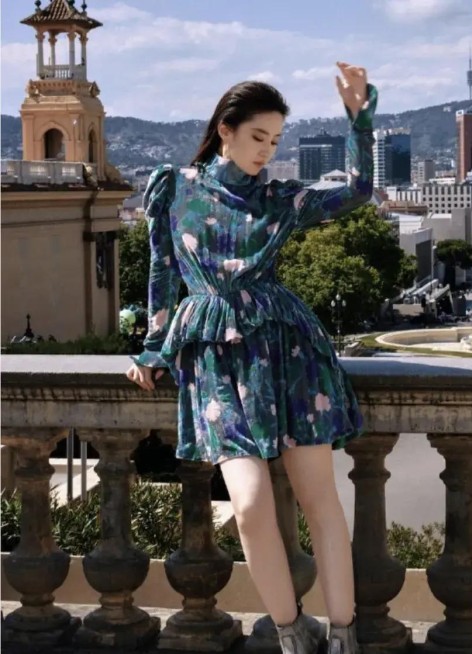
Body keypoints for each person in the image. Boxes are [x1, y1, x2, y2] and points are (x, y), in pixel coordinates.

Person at [126, 62, 377, 654]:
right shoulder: (174, 188)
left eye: (276, 140)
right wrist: (154, 346)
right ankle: (292, 630)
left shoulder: (280, 198)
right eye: (258, 136)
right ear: (225, 129)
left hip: (289, 352)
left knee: (319, 500)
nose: (267, 151)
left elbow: (358, 192)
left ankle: (344, 633)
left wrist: (358, 120)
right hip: (214, 357)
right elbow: (162, 271)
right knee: (248, 505)